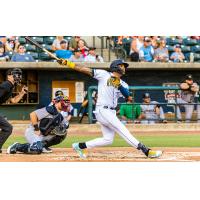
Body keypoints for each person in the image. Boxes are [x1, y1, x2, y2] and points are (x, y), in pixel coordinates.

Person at [57, 58, 162, 159]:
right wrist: (67, 63)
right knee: (122, 129)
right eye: (122, 66)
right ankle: (146, 151)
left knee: (108, 139)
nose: (124, 68)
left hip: (111, 112)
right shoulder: (104, 75)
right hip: (102, 110)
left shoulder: (123, 84)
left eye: (124, 66)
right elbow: (84, 69)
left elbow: (128, 97)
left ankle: (79, 146)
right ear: (115, 67)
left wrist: (119, 85)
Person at [0, 68, 28, 153]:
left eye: (19, 74)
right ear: (9, 76)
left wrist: (22, 93)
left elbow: (13, 101)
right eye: (16, 74)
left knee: (7, 128)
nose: (18, 76)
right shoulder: (6, 85)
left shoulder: (10, 86)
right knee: (8, 128)